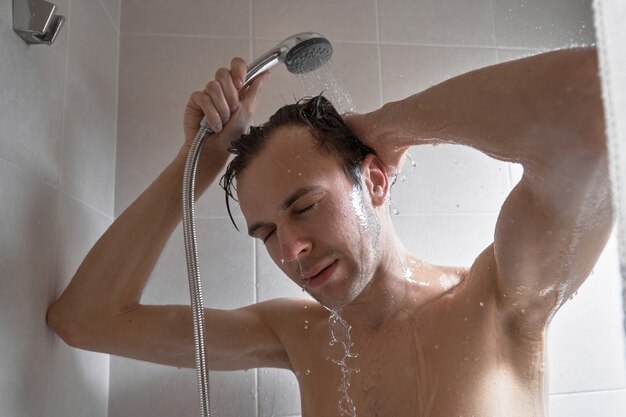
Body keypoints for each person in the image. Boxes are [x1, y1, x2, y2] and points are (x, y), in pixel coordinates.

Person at [47, 47, 612, 416]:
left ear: (375, 182)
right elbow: (85, 319)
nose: (290, 250)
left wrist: (390, 126)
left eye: (306, 206)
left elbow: (598, 102)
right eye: (266, 232)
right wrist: (196, 164)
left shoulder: (499, 299)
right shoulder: (299, 336)